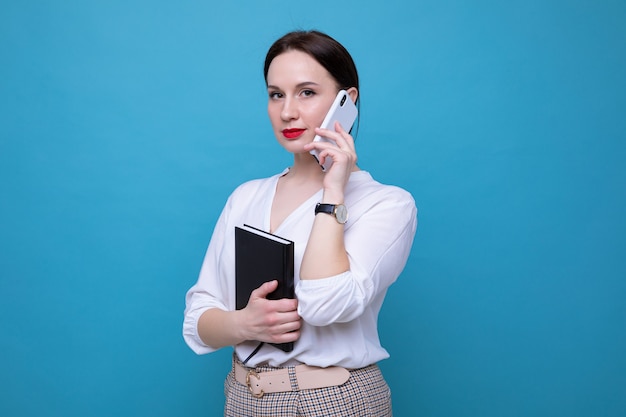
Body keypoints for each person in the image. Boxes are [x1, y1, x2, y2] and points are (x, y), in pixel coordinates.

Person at [183, 30, 417, 416]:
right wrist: (245, 324)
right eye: (276, 94)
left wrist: (333, 192)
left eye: (306, 92)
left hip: (332, 400)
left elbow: (324, 306)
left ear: (347, 102)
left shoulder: (387, 204)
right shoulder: (245, 196)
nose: (287, 111)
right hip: (243, 397)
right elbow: (197, 320)